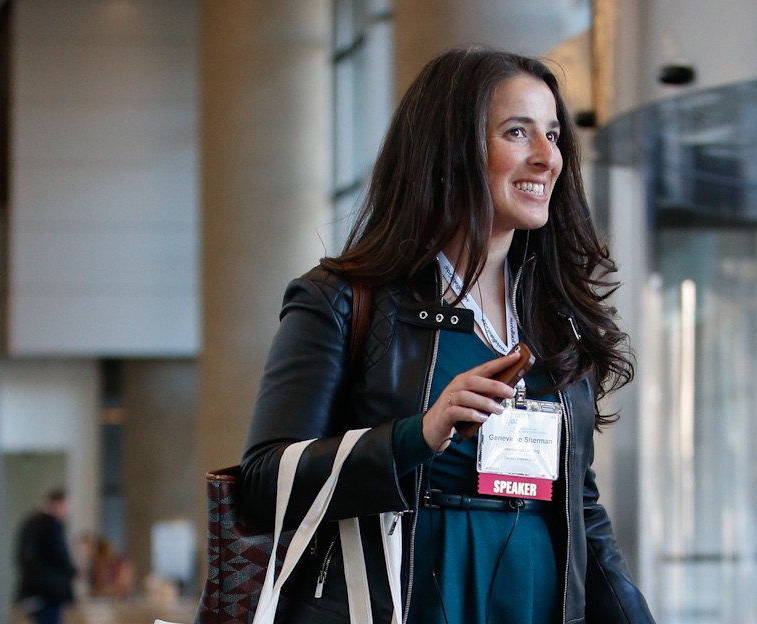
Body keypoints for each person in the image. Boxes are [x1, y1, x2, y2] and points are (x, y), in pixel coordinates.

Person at [240, 47, 655, 623]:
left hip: (532, 599)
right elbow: (264, 481)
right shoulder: (341, 297)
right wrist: (418, 435)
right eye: (517, 132)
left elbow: (581, 512)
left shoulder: (555, 317)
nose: (547, 158)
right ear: (447, 153)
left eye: (553, 135)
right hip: (401, 603)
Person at [14, 489, 77, 624]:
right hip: (48, 594)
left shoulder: (31, 522)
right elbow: (59, 558)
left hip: (33, 591)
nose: (68, 511)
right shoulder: (50, 525)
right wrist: (73, 571)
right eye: (67, 506)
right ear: (58, 504)